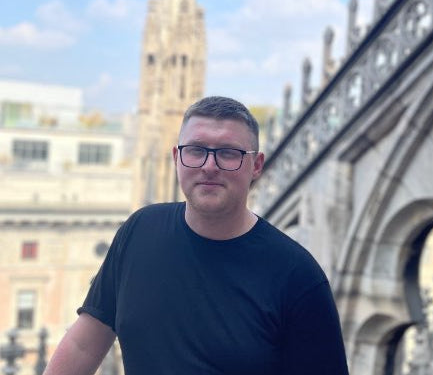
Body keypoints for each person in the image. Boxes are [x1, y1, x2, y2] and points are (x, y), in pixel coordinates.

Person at [44, 96, 349, 375]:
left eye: (228, 153)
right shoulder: (139, 230)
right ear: (177, 157)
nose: (209, 166)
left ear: (256, 165)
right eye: (196, 150)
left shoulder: (298, 276)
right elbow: (82, 345)